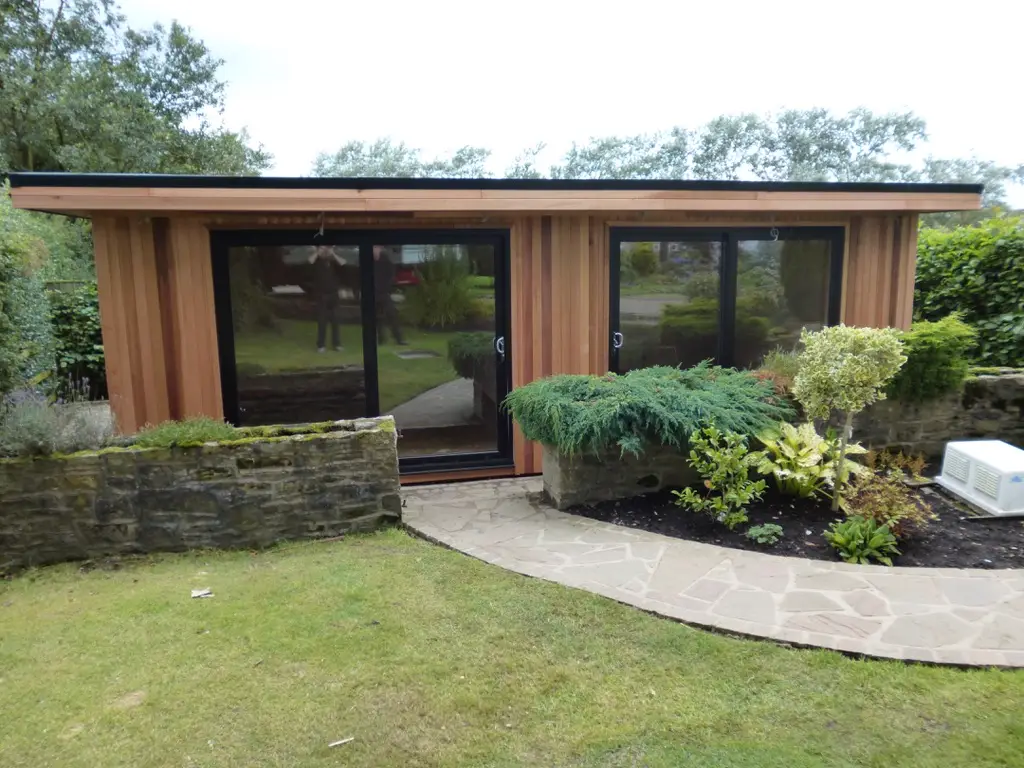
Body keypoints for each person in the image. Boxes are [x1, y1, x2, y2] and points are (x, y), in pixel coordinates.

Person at [308, 245, 345, 352]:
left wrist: (333, 254)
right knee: (322, 321)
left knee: (335, 320)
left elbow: (343, 263)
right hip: (321, 295)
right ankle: (321, 345)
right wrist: (317, 253)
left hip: (333, 295)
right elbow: (309, 262)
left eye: (326, 249)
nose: (325, 251)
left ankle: (336, 344)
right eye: (323, 249)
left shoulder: (333, 262)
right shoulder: (316, 261)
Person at [373, 246, 406, 345]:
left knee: (392, 315)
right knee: (378, 318)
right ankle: (381, 340)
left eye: (375, 248)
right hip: (373, 293)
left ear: (379, 249)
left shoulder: (385, 259)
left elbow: (391, 273)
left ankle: (399, 339)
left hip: (384, 292)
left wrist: (387, 287)